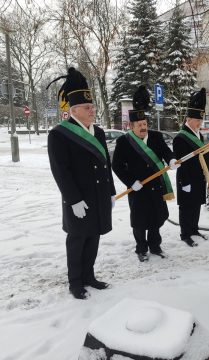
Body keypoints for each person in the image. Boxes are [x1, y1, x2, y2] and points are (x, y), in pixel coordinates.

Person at [47, 68, 116, 299]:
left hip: (98, 196)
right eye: (88, 107)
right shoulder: (59, 134)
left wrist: (110, 192)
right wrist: (73, 199)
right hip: (78, 199)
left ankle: (89, 276)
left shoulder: (97, 132)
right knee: (77, 240)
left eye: (93, 107)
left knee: (94, 236)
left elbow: (106, 164)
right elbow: (61, 171)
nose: (92, 110)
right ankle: (75, 282)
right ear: (74, 110)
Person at [112, 85, 180, 262]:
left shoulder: (156, 137)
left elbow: (166, 151)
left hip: (156, 185)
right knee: (140, 221)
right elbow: (117, 165)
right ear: (131, 126)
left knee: (156, 218)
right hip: (138, 188)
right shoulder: (124, 142)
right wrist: (130, 181)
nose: (143, 127)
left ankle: (155, 246)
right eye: (139, 125)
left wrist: (171, 160)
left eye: (145, 124)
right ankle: (141, 248)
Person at [173, 88, 208, 247]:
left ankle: (194, 229)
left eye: (201, 121)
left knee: (196, 205)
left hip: (199, 176)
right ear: (188, 119)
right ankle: (185, 233)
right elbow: (182, 163)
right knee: (187, 207)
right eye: (197, 121)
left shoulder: (199, 135)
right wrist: (185, 182)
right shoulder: (180, 138)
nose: (199, 123)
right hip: (186, 178)